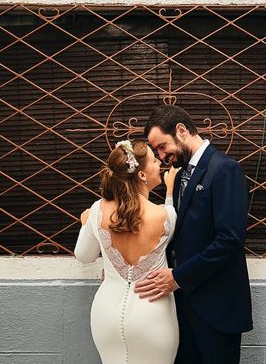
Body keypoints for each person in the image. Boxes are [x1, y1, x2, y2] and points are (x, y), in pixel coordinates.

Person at [135, 105, 253, 364]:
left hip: (217, 308)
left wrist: (178, 277)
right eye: (157, 152)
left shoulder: (225, 169)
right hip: (183, 308)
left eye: (163, 146)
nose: (162, 156)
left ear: (181, 130)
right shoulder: (178, 178)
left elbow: (230, 240)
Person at [74, 139, 179, 364]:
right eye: (153, 160)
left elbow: (84, 255)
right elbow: (169, 217)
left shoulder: (97, 210)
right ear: (141, 175)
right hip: (153, 315)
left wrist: (86, 223)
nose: (159, 163)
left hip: (106, 315)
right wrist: (170, 190)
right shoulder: (165, 216)